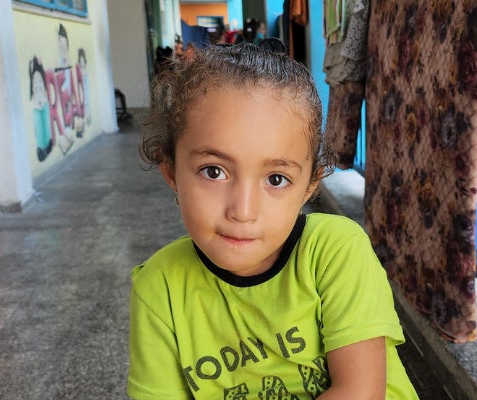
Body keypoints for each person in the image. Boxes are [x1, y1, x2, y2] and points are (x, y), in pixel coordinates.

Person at [129, 42, 418, 399]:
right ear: (171, 172)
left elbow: (359, 392)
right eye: (214, 171)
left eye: (276, 179)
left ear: (309, 185)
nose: (243, 210)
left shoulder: (336, 252)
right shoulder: (160, 287)